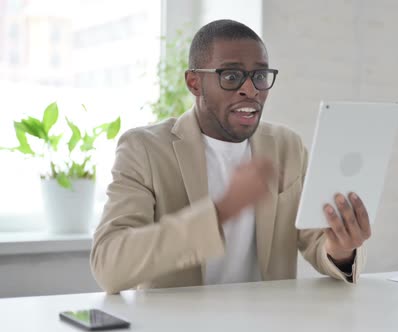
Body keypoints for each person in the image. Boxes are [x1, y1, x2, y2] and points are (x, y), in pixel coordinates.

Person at [91, 19, 371, 294]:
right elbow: (108, 267)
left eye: (260, 76)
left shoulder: (287, 147)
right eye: (231, 76)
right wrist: (222, 210)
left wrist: (341, 250)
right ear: (194, 82)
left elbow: (317, 241)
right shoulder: (145, 149)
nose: (251, 89)